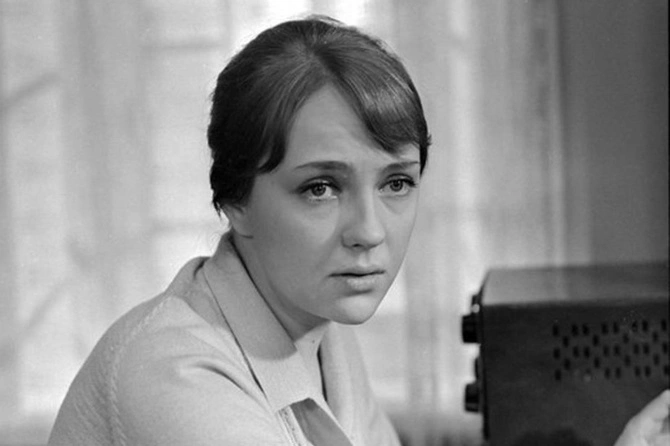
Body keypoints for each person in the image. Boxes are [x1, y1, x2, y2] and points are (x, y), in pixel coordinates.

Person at [48, 15, 667, 446]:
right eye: (320, 188)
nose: (369, 232)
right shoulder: (172, 373)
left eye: (396, 183)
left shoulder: (320, 329)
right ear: (235, 201)